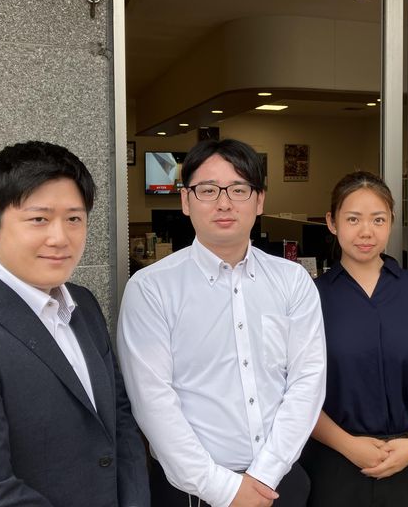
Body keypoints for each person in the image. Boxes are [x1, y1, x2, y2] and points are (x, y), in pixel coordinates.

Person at [0, 141, 150, 507]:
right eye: (39, 219)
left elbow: (119, 422)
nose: (60, 238)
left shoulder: (83, 304)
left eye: (74, 218)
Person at [117, 138, 326, 507]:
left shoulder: (293, 281)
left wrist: (264, 476)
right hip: (192, 491)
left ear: (259, 200)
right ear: (186, 200)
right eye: (208, 190)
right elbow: (153, 401)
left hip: (278, 482)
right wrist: (224, 490)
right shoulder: (151, 288)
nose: (224, 203)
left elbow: (307, 382)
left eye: (239, 189)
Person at [300, 171, 408, 507]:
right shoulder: (311, 297)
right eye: (353, 219)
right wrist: (348, 445)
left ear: (391, 222)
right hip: (333, 464)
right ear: (331, 222)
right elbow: (297, 389)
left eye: (378, 219)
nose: (366, 231)